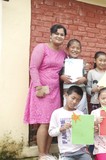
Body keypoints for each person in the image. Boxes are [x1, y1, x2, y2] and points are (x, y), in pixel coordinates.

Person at [24, 24, 67, 159]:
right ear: (51, 34)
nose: (59, 36)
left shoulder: (63, 53)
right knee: (43, 121)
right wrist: (38, 86)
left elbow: (64, 70)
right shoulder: (41, 48)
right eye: (57, 33)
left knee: (51, 121)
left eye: (62, 34)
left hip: (55, 91)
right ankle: (41, 154)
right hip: (42, 89)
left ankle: (47, 153)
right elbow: (33, 68)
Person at [48, 86, 92, 160]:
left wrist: (91, 130)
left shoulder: (80, 114)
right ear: (66, 95)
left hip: (81, 151)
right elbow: (51, 132)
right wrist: (61, 129)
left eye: (78, 100)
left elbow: (85, 135)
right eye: (73, 98)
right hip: (65, 153)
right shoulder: (57, 113)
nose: (75, 102)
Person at [60, 39, 89, 114]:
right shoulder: (63, 62)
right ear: (67, 49)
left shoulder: (83, 63)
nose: (75, 50)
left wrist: (84, 79)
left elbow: (86, 79)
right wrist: (62, 77)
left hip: (81, 92)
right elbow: (58, 75)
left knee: (81, 114)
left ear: (80, 50)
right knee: (68, 113)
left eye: (77, 48)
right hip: (68, 92)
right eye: (73, 47)